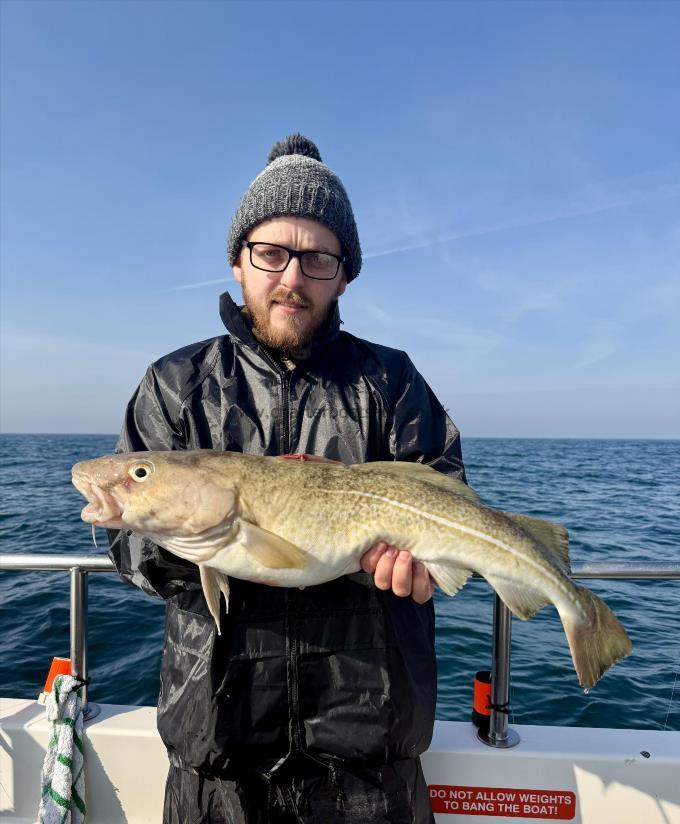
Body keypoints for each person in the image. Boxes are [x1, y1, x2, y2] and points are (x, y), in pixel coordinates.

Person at [109, 134, 466, 824]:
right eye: (271, 254)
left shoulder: (391, 382)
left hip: (370, 762)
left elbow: (443, 494)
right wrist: (193, 542)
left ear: (344, 274)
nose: (292, 278)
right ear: (238, 263)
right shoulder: (176, 386)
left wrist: (416, 569)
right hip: (218, 756)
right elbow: (129, 551)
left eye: (318, 258)